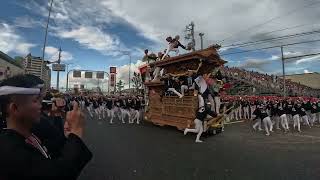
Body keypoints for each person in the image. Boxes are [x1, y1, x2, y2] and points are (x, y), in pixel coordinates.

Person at [0, 74, 92, 180]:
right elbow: (59, 174)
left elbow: (56, 152)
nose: (41, 105)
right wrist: (76, 131)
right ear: (14, 108)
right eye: (36, 100)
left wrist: (68, 134)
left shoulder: (28, 133)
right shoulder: (10, 152)